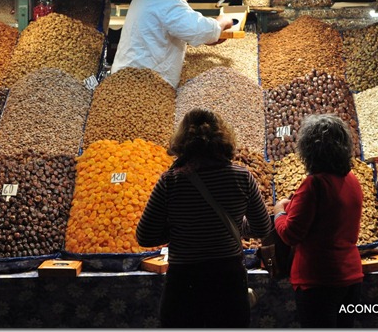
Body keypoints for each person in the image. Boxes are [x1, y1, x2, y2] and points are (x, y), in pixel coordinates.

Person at [136, 108, 272, 328]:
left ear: (182, 140)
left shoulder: (170, 182)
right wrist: (235, 225)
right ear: (223, 137)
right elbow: (263, 227)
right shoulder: (242, 176)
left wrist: (181, 228)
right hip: (228, 282)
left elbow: (145, 236)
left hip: (184, 284)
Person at [273, 114, 363, 328]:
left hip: (319, 280)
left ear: (308, 149)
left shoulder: (314, 184)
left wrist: (278, 212)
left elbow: (290, 234)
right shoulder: (352, 180)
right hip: (350, 276)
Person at [111, 0, 233, 88]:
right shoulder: (167, 1)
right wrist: (223, 21)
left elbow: (172, 31)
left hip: (126, 79)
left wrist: (208, 38)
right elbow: (198, 29)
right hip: (142, 85)